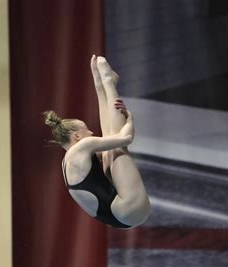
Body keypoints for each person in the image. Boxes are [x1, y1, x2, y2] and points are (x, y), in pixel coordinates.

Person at [43, 55, 151, 228]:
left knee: (110, 147)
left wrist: (98, 83)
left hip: (122, 217)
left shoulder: (68, 162)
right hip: (129, 209)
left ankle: (104, 84)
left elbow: (113, 139)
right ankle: (107, 83)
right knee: (117, 149)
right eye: (87, 129)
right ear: (76, 136)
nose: (92, 132)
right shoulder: (81, 148)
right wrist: (129, 119)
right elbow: (126, 138)